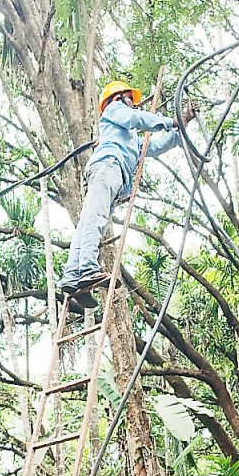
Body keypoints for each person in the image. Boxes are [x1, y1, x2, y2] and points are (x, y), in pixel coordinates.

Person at [60, 79, 195, 308]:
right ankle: (87, 268)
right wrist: (171, 120)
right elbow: (137, 118)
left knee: (89, 223)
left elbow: (153, 147)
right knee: (95, 219)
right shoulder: (115, 111)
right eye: (129, 99)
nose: (133, 104)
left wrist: (182, 124)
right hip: (108, 166)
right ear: (117, 98)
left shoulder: (130, 136)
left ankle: (73, 276)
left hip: (113, 173)